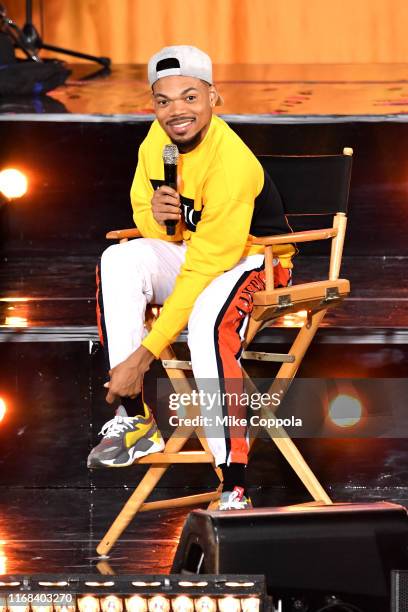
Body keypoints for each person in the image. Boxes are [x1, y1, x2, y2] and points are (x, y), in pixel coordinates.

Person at [87, 45, 295, 510]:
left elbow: (205, 265)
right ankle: (134, 418)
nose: (176, 111)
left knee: (205, 325)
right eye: (163, 101)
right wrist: (155, 222)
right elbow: (149, 215)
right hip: (196, 251)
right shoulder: (156, 143)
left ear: (213, 97)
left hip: (253, 260)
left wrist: (146, 352)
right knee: (118, 259)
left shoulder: (231, 163)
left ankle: (234, 481)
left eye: (189, 97)